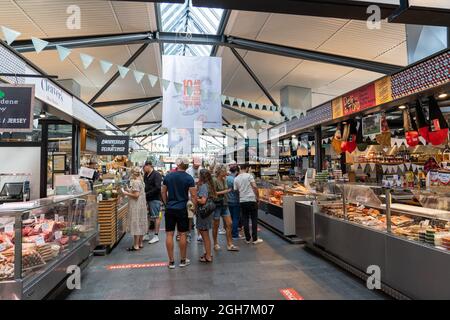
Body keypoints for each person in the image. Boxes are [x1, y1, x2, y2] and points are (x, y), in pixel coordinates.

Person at [161, 157, 197, 269]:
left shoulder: (168, 176)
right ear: (187, 166)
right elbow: (194, 195)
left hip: (170, 208)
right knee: (182, 234)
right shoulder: (189, 178)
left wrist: (167, 203)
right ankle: (182, 260)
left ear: (178, 165)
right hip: (182, 208)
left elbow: (163, 191)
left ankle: (171, 262)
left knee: (169, 234)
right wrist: (193, 208)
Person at [212, 164, 239, 252]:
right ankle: (215, 243)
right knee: (215, 225)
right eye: (225, 171)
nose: (226, 172)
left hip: (224, 204)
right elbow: (213, 193)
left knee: (229, 223)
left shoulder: (225, 179)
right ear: (220, 171)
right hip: (216, 205)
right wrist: (225, 191)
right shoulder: (214, 180)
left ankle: (230, 244)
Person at [234, 164, 263, 244]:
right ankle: (255, 239)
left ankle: (247, 239)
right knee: (254, 219)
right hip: (251, 199)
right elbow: (255, 187)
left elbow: (236, 190)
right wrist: (257, 197)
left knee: (245, 219)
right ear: (247, 168)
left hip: (242, 201)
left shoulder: (236, 178)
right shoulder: (249, 176)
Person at [122, 167, 149, 251]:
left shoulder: (135, 182)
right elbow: (138, 192)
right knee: (140, 223)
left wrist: (125, 192)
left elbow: (136, 195)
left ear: (133, 173)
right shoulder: (141, 181)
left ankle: (135, 245)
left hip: (136, 205)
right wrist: (129, 190)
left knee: (136, 224)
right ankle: (140, 243)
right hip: (141, 205)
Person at [196, 169, 216, 263]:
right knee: (206, 234)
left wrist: (195, 198)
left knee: (205, 235)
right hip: (208, 212)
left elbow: (203, 201)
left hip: (203, 212)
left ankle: (208, 256)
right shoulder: (209, 185)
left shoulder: (204, 186)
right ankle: (208, 253)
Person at [143, 161, 162, 244]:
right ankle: (146, 234)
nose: (144, 168)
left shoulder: (156, 174)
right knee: (147, 217)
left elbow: (158, 187)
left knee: (156, 216)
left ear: (149, 166)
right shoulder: (146, 175)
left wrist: (146, 194)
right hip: (146, 199)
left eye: (144, 166)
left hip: (154, 199)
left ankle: (156, 235)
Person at [227, 165, 243, 240]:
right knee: (235, 218)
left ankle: (229, 232)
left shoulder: (226, 178)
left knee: (229, 218)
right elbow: (238, 191)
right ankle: (235, 235)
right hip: (235, 201)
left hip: (228, 200)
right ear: (236, 171)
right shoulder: (235, 179)